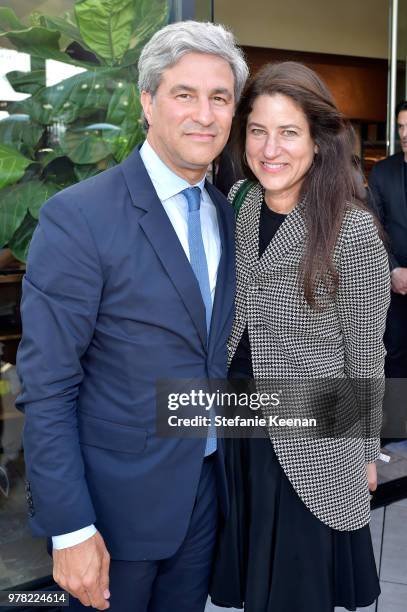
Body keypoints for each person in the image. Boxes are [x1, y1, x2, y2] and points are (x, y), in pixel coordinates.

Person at [16, 21, 248, 612]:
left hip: (201, 498)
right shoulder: (80, 217)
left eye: (219, 98)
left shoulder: (225, 213)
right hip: (112, 517)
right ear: (147, 102)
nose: (205, 114)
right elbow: (47, 388)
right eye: (184, 94)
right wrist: (70, 530)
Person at [209, 62, 390, 612]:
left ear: (318, 140)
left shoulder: (350, 229)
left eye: (288, 132)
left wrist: (364, 453)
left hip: (310, 434)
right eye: (259, 130)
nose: (271, 149)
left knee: (295, 587)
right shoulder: (238, 201)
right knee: (249, 581)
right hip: (238, 421)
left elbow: (365, 352)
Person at [368, 100, 407, 378]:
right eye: (401, 127)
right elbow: (374, 225)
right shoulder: (383, 172)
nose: (404, 134)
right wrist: (393, 268)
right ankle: (396, 420)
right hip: (396, 284)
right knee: (394, 352)